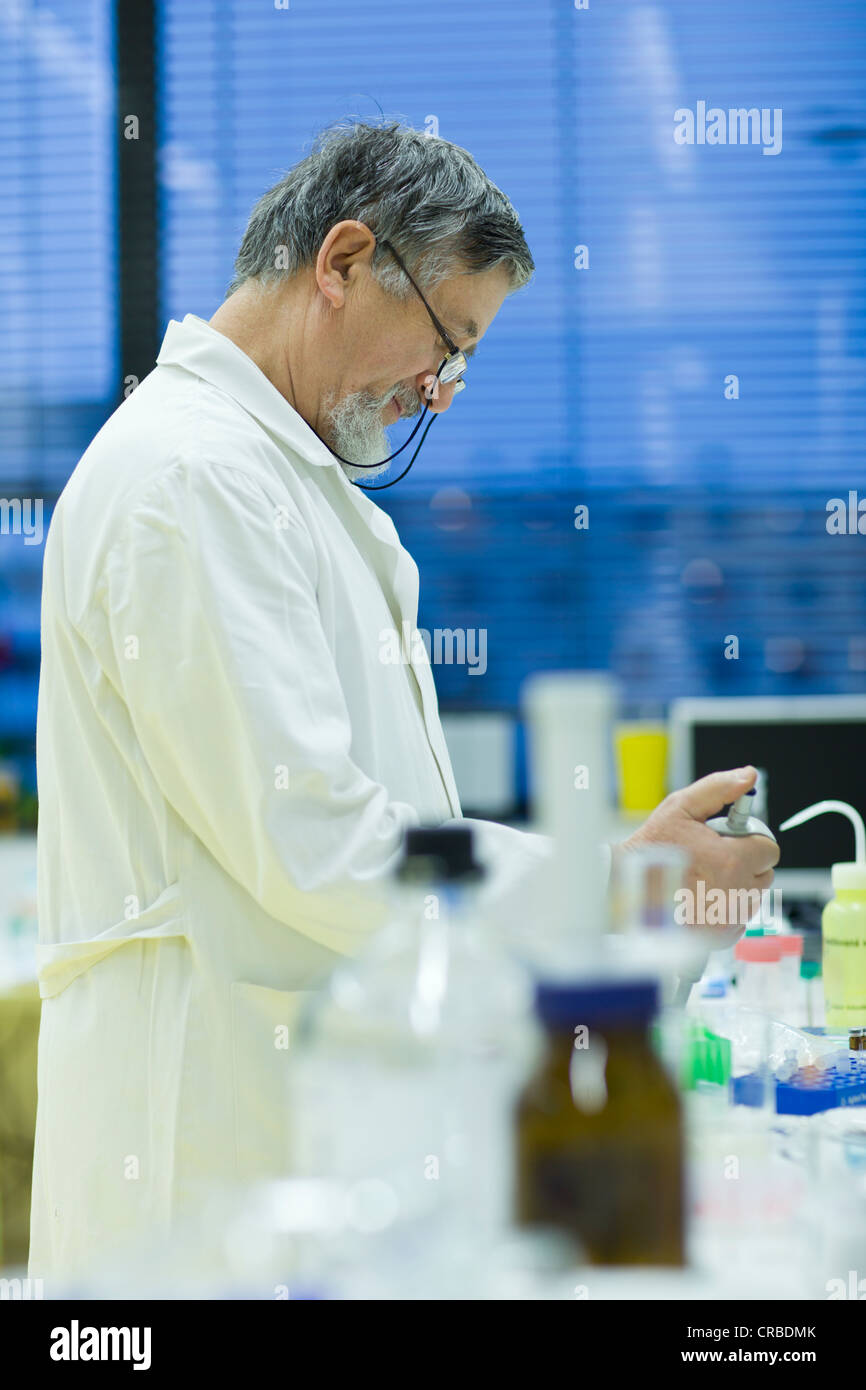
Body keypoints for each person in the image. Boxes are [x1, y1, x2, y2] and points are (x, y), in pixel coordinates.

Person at [30, 120, 777, 1282]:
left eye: (459, 363)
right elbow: (315, 844)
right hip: (202, 1140)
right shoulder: (191, 479)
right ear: (338, 262)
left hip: (301, 1118)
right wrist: (618, 882)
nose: (437, 391)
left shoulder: (278, 480)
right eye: (446, 341)